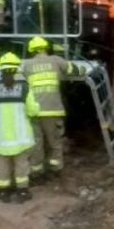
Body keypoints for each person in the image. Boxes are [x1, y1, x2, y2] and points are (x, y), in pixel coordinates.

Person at [0, 53, 39, 203]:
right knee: (21, 166)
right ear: (16, 70)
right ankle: (22, 192)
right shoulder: (24, 89)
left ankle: (3, 193)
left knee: (2, 166)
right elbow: (33, 110)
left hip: (0, 139)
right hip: (21, 139)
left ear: (1, 69)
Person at [22, 36, 78, 180]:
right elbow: (74, 70)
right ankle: (56, 170)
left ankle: (36, 172)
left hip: (34, 112)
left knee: (36, 143)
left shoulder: (26, 64)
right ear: (46, 48)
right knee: (55, 142)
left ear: (31, 50)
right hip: (53, 110)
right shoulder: (56, 60)